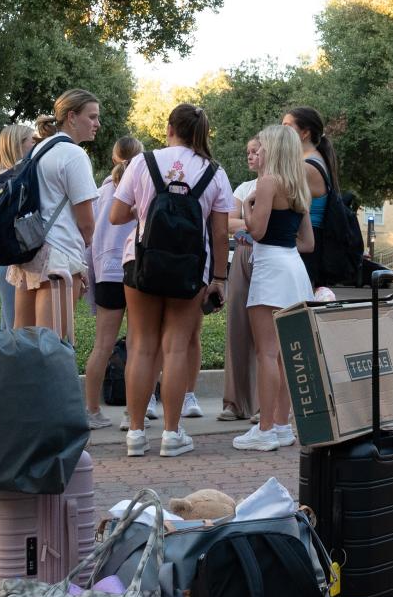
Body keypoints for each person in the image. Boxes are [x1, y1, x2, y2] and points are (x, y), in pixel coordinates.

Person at [109, 104, 232, 459]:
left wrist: (146, 208)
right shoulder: (214, 172)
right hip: (191, 269)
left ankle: (134, 433)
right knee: (176, 346)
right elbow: (220, 234)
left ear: (169, 128)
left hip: (142, 263)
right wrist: (219, 278)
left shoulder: (142, 162)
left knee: (142, 345)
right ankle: (171, 434)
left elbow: (117, 215)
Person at [233, 125, 317, 451]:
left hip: (270, 268)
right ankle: (283, 425)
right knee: (283, 355)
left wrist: (248, 206)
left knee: (266, 353)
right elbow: (308, 242)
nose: (260, 151)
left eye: (263, 146)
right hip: (295, 267)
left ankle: (265, 429)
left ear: (273, 149)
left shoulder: (267, 183)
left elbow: (255, 230)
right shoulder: (298, 186)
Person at [4, 90, 102, 342]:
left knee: (22, 342)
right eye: (92, 117)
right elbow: (86, 223)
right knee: (52, 345)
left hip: (29, 251)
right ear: (72, 116)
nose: (97, 124)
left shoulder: (38, 150)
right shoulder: (74, 155)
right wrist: (87, 245)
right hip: (59, 257)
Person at [81, 135, 141, 429]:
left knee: (102, 345)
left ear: (114, 157)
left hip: (106, 271)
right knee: (138, 343)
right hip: (136, 268)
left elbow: (89, 237)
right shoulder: (140, 187)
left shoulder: (99, 193)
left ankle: (92, 410)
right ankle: (134, 412)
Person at [219, 136, 265, 424]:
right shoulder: (244, 188)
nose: (249, 156)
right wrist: (254, 223)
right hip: (242, 256)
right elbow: (226, 222)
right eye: (247, 152)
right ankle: (234, 402)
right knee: (237, 325)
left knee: (266, 332)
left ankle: (263, 403)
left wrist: (246, 223)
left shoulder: (279, 183)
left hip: (268, 258)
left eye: (255, 151)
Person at [0, 122, 38, 329]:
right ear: (18, 144)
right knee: (15, 325)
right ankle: (9, 361)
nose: (35, 145)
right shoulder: (14, 179)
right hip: (9, 259)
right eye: (32, 141)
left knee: (7, 322)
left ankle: (3, 359)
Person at [284, 106, 338, 287]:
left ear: (304, 133)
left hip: (305, 243)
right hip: (310, 242)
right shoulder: (313, 160)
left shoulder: (305, 167)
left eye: (287, 126)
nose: (281, 131)